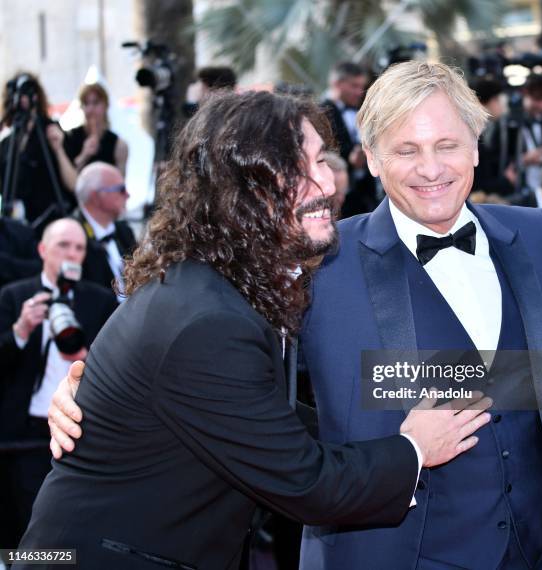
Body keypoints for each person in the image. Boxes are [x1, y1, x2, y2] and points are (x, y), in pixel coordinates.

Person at [21, 92, 490, 570]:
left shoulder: (231, 284)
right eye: (299, 169)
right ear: (241, 194)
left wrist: (456, 398)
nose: (325, 182)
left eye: (322, 160)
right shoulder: (222, 310)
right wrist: (412, 446)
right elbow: (302, 478)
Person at [294, 62, 542, 569]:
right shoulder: (320, 264)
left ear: (477, 146)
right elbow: (266, 421)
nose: (432, 169)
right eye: (406, 150)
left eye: (447, 145)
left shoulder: (536, 235)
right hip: (397, 555)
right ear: (371, 158)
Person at [0, 218, 116, 552]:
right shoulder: (14, 295)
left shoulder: (98, 300)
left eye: (79, 247)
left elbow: (116, 366)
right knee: (22, 525)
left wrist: (87, 356)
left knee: (66, 529)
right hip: (21, 436)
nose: (72, 254)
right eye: (63, 245)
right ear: (42, 249)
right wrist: (20, 331)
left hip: (77, 433)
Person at [0, 72, 77, 231]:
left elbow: (73, 183)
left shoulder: (50, 130)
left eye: (27, 93)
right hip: (18, 225)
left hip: (50, 220)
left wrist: (58, 149)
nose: (22, 100)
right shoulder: (8, 142)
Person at [321, 61, 378, 216]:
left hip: (368, 193)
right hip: (343, 200)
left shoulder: (362, 108)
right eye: (354, 86)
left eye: (361, 86)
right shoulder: (320, 113)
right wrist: (350, 161)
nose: (359, 91)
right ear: (337, 84)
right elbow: (324, 156)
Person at [73, 162, 136, 299]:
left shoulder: (124, 231)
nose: (127, 195)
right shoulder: (73, 235)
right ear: (96, 197)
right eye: (121, 189)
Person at [63, 82, 129, 176]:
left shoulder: (118, 145)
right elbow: (66, 178)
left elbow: (119, 183)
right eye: (86, 103)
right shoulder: (70, 137)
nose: (90, 109)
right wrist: (84, 155)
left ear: (105, 105)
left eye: (95, 103)